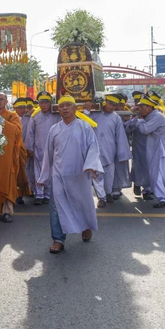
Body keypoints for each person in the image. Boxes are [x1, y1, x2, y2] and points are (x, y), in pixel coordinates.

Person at [38, 96, 103, 254]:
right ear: (58, 110)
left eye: (68, 105)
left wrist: (91, 166)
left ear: (75, 108)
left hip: (79, 173)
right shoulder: (54, 129)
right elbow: (49, 154)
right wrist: (44, 177)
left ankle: (86, 226)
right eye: (61, 106)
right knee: (56, 206)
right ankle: (58, 239)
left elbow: (93, 148)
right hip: (59, 174)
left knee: (82, 203)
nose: (64, 108)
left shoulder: (84, 127)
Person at [127, 95, 165, 208]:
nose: (140, 109)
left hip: (164, 150)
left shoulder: (157, 116)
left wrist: (140, 119)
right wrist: (136, 116)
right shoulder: (148, 116)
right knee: (161, 174)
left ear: (150, 107)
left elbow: (145, 129)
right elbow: (130, 127)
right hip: (159, 150)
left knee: (159, 174)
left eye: (142, 107)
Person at [89, 95, 131, 208]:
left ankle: (107, 193)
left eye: (114, 105)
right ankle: (101, 198)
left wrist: (122, 154)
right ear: (105, 102)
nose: (111, 106)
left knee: (109, 175)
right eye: (109, 103)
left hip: (109, 151)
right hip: (94, 150)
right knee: (97, 175)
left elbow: (120, 137)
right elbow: (84, 121)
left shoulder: (116, 117)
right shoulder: (94, 113)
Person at [25, 91, 61, 205]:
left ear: (51, 103)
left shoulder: (56, 115)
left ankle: (48, 194)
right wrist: (29, 147)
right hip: (39, 148)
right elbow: (30, 133)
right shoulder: (35, 116)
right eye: (41, 102)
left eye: (46, 102)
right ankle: (39, 194)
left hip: (53, 148)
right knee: (38, 171)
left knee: (51, 171)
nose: (44, 105)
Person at [0, 93, 24, 222]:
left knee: (7, 179)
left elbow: (17, 131)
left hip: (7, 154)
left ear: (6, 101)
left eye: (1, 100)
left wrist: (3, 123)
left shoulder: (12, 115)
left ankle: (7, 210)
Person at [127, 91, 153, 200]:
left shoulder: (152, 113)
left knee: (149, 166)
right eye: (137, 102)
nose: (139, 105)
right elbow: (128, 128)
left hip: (150, 144)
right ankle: (137, 183)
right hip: (138, 143)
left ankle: (147, 189)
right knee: (137, 165)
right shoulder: (133, 113)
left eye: (141, 103)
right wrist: (133, 116)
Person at [14, 97, 34, 204]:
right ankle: (15, 194)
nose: (23, 109)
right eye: (20, 107)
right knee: (16, 173)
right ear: (15, 108)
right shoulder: (11, 118)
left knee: (25, 173)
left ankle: (23, 193)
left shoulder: (29, 118)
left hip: (25, 149)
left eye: (24, 107)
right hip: (14, 150)